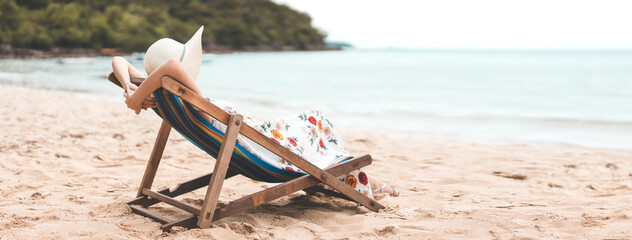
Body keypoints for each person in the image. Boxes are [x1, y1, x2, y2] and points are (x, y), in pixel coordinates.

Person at [112, 26, 399, 197]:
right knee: (314, 125)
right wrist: (135, 96)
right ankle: (371, 182)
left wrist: (130, 91)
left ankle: (365, 180)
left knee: (313, 131)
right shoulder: (184, 93)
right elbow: (172, 65)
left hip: (255, 136)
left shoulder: (165, 93)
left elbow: (118, 61)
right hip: (261, 145)